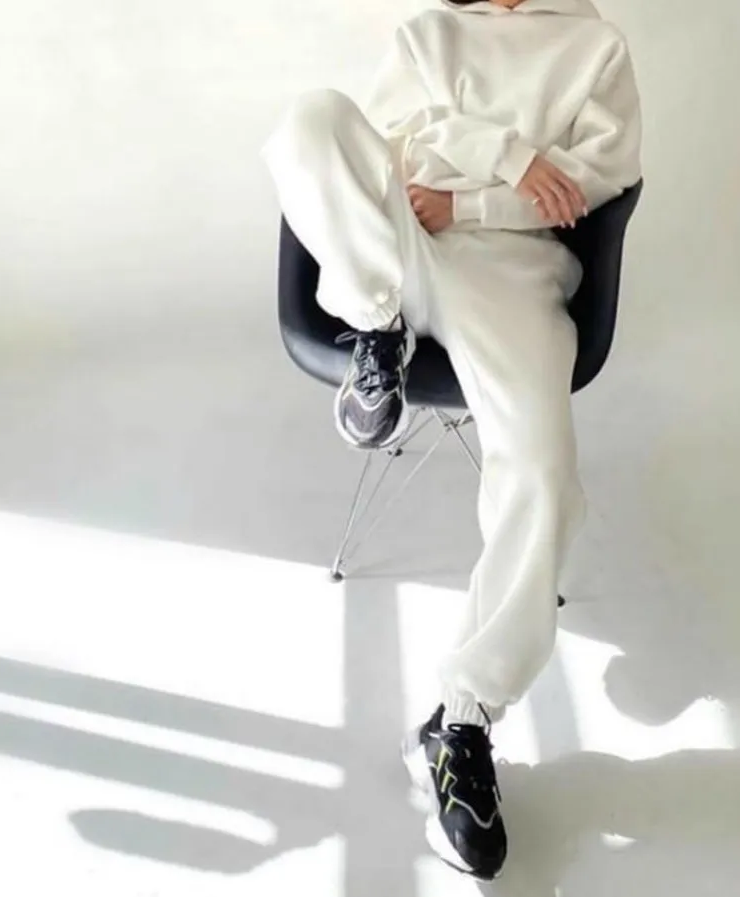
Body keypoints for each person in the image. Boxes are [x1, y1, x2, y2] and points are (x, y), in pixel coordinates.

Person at [263, 0, 642, 881]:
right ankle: (377, 332)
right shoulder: (428, 34)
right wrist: (511, 154)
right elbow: (390, 152)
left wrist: (469, 189)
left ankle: (460, 720)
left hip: (515, 269)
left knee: (543, 478)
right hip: (406, 248)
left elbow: (595, 179)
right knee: (311, 119)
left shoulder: (594, 48)